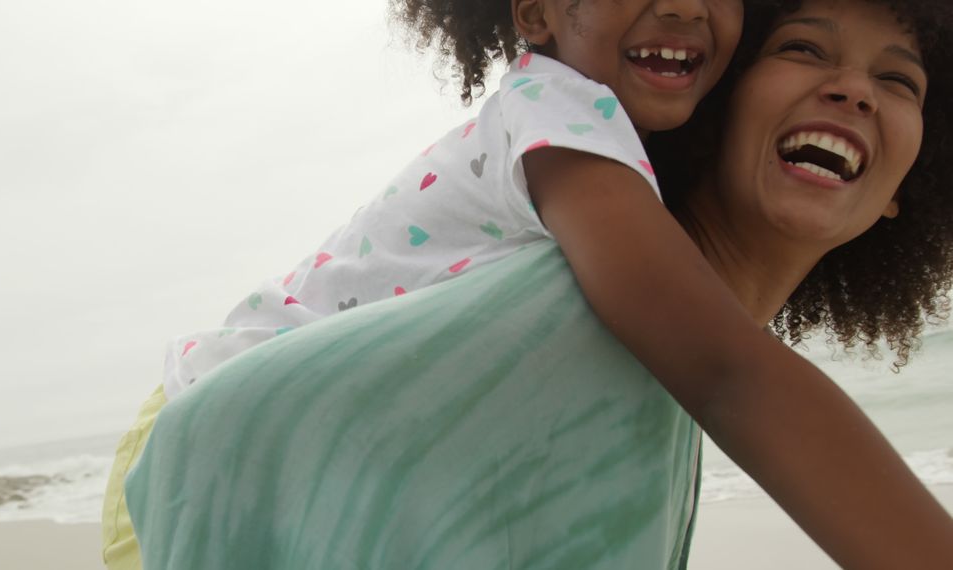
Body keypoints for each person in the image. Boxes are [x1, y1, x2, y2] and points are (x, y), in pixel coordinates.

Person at [113, 0, 953, 568]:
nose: (851, 90)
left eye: (900, 80)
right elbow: (734, 377)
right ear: (721, 98)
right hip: (193, 454)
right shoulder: (568, 195)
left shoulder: (644, 380)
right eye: (803, 48)